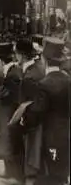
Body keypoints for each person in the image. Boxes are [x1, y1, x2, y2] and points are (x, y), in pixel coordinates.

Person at [19, 37, 70, 185]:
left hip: (49, 137)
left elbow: (37, 113)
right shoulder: (68, 81)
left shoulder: (44, 84)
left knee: (48, 176)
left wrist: (24, 119)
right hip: (66, 134)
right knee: (61, 174)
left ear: (45, 60)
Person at [0, 43, 24, 184]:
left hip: (5, 110)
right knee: (7, 140)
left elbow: (3, 92)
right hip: (9, 110)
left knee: (6, 140)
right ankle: (9, 171)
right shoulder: (17, 69)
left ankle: (14, 174)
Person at [14, 38, 46, 185]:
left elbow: (32, 102)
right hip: (37, 119)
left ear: (22, 55)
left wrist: (25, 120)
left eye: (16, 53)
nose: (15, 57)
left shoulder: (30, 75)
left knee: (32, 154)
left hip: (32, 121)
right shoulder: (37, 68)